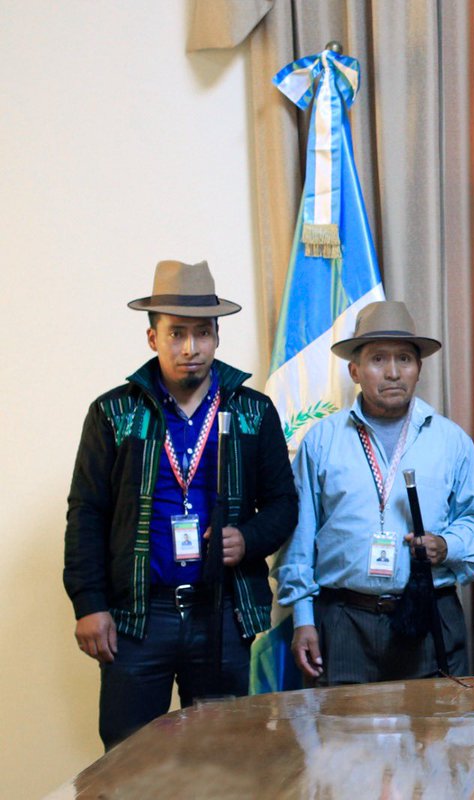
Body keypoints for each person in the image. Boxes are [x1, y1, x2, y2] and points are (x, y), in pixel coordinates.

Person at [64, 260, 299, 749]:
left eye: (202, 334)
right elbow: (86, 512)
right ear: (153, 339)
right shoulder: (113, 412)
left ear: (217, 337)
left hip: (222, 614)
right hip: (137, 620)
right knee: (129, 764)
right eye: (176, 334)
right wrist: (89, 604)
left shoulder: (253, 411)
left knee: (224, 759)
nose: (190, 348)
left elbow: (283, 503)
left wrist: (248, 538)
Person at [276, 300, 474, 684]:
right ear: (355, 371)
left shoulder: (451, 441)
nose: (393, 372)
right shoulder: (322, 441)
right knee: (345, 739)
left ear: (419, 369)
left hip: (429, 613)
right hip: (344, 618)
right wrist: (303, 619)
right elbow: (298, 537)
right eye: (378, 359)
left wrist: (446, 545)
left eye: (404, 359)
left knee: (436, 738)